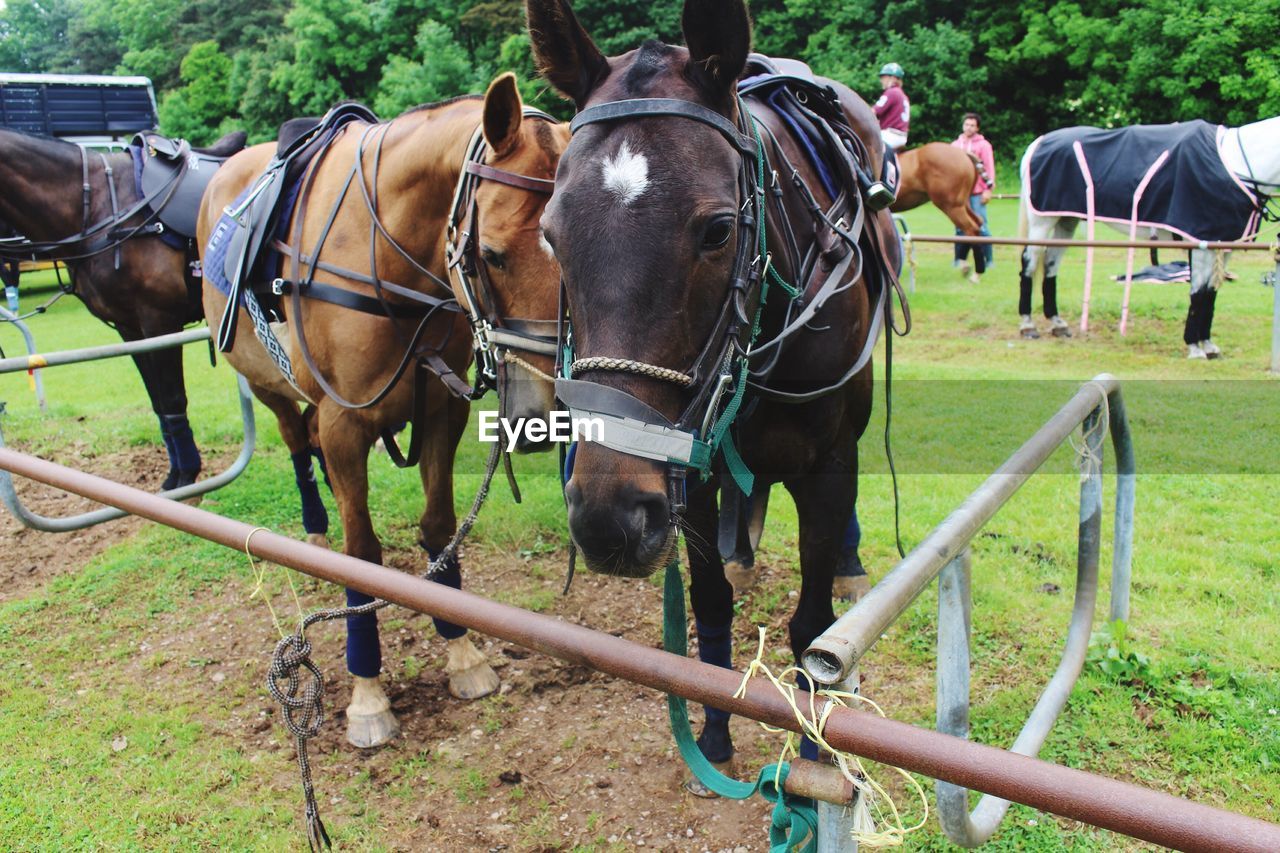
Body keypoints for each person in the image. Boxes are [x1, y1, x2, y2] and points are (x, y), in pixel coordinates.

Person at [951, 112, 996, 283]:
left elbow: (989, 167)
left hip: (977, 191)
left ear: (977, 128)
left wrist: (988, 189)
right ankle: (958, 260)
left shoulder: (983, 145)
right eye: (966, 124)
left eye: (972, 125)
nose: (968, 127)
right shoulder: (955, 145)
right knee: (959, 227)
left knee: (981, 226)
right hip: (960, 192)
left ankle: (988, 259)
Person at [873, 63, 910, 151]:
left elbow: (873, 112)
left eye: (883, 77)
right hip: (900, 136)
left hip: (890, 135)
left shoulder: (891, 92)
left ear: (892, 78)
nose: (881, 80)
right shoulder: (903, 95)